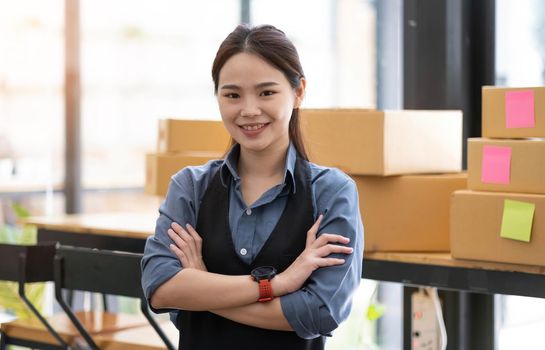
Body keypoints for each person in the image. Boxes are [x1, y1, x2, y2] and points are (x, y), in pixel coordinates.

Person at [141, 24, 364, 350]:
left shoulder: (331, 191)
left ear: (299, 92)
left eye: (266, 92)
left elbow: (320, 312)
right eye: (232, 94)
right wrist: (277, 285)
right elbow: (159, 287)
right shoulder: (190, 186)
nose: (248, 110)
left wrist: (201, 288)